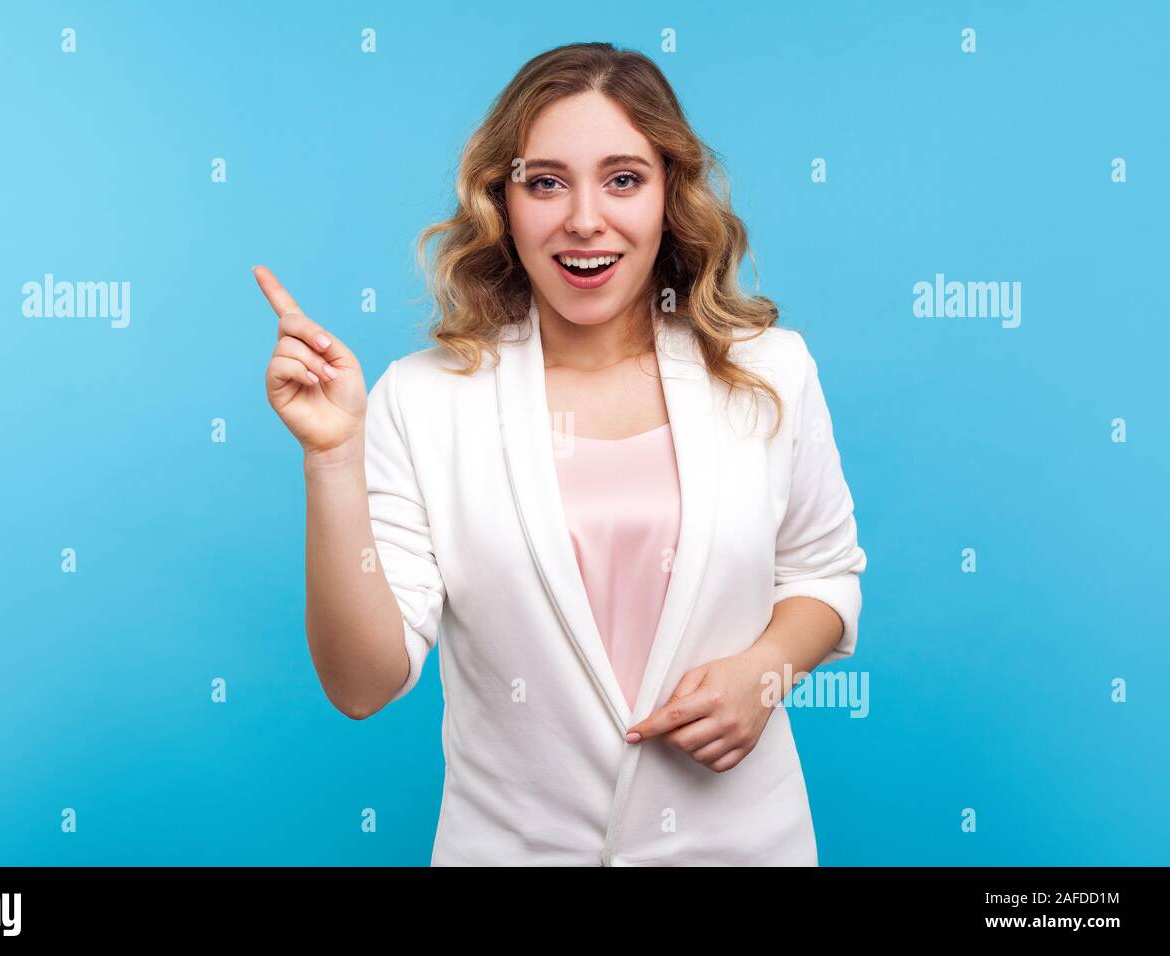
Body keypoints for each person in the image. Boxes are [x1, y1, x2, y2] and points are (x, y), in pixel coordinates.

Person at [256, 42, 866, 866]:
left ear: (668, 197)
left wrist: (763, 672)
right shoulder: (423, 397)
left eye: (623, 179)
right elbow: (363, 685)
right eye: (546, 181)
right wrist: (330, 459)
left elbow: (824, 577)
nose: (585, 219)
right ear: (502, 201)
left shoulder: (771, 369)